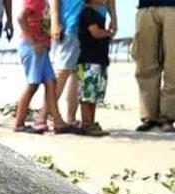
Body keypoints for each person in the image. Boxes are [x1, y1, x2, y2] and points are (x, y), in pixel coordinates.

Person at [35, 0, 117, 130]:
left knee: (77, 75)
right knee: (63, 71)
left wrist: (114, 18)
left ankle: (71, 118)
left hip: (93, 24)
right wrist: (55, 21)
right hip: (70, 24)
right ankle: (43, 116)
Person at [133, 0, 175, 132]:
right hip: (147, 6)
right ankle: (149, 116)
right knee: (145, 65)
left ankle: (168, 117)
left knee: (173, 65)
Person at [15, 0, 74, 134]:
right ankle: (18, 123)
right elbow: (20, 18)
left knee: (51, 82)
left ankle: (58, 122)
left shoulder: (46, 3)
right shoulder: (35, 1)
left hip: (42, 50)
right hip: (32, 48)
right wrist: (33, 41)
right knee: (33, 84)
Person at [77, 0, 113, 136]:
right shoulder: (87, 12)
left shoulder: (97, 14)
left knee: (94, 95)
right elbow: (95, 32)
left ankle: (91, 121)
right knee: (87, 94)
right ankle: (86, 123)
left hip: (99, 59)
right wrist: (108, 33)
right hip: (88, 60)